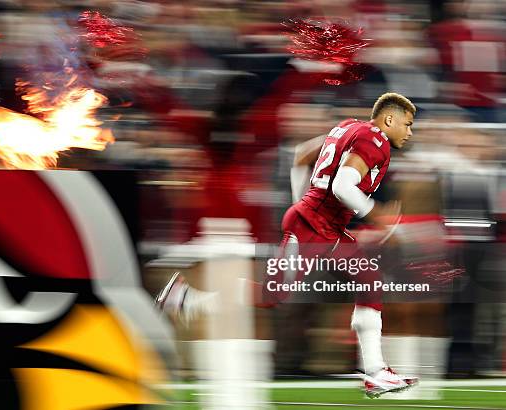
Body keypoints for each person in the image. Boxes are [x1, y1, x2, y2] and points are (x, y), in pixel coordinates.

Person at [156, 92, 419, 398]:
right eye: (407, 124)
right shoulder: (376, 141)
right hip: (313, 228)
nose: (409, 132)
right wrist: (376, 215)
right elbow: (342, 186)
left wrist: (303, 202)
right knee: (271, 294)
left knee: (369, 280)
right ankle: (186, 299)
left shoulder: (347, 126)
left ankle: (375, 372)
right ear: (389, 119)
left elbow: (302, 154)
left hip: (324, 228)